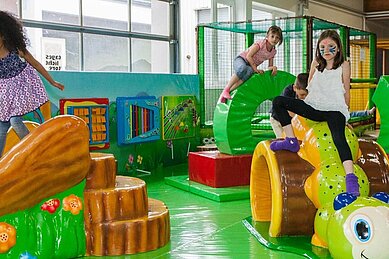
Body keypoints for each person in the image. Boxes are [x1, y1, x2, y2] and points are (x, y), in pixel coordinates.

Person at [269, 29, 360, 196]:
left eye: (331, 46)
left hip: (334, 110)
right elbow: (310, 89)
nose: (326, 50)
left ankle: (351, 177)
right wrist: (300, 108)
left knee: (338, 138)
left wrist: (346, 116)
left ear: (338, 48)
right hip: (314, 107)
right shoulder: (315, 63)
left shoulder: (344, 65)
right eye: (322, 46)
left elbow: (346, 91)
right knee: (278, 101)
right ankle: (290, 140)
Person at [0, 11, 64, 157]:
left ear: (3, 35)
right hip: (6, 93)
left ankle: (33, 149)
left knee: (15, 120)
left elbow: (36, 64)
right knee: (2, 126)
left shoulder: (16, 50)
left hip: (22, 87)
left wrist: (52, 81)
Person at [218, 25, 283, 103]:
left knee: (247, 75)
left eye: (277, 37)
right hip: (242, 59)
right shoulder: (261, 43)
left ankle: (227, 92)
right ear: (267, 36)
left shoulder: (273, 52)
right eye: (272, 36)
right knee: (243, 68)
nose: (274, 39)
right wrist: (256, 69)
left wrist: (274, 67)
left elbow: (270, 66)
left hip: (250, 66)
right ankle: (226, 89)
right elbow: (249, 56)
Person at [270, 73, 309, 138]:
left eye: (306, 95)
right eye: (302, 95)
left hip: (291, 120)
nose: (304, 97)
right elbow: (288, 112)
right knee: (282, 137)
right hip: (277, 119)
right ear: (294, 88)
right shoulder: (288, 91)